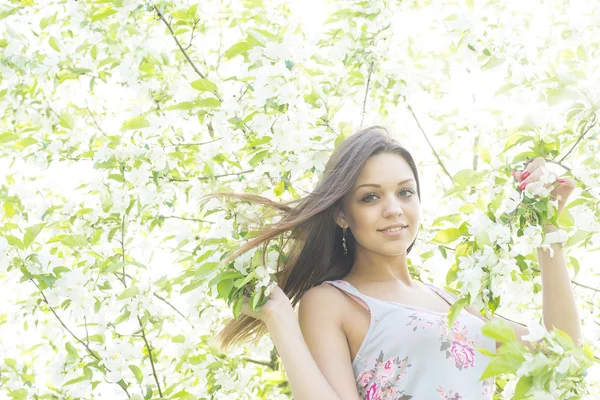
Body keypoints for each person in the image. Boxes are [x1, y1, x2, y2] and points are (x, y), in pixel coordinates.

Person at [208, 126, 580, 400]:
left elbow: (562, 352)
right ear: (341, 213)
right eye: (370, 197)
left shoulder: (453, 303)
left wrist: (549, 227)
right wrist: (279, 321)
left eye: (405, 192)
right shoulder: (332, 300)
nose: (393, 209)